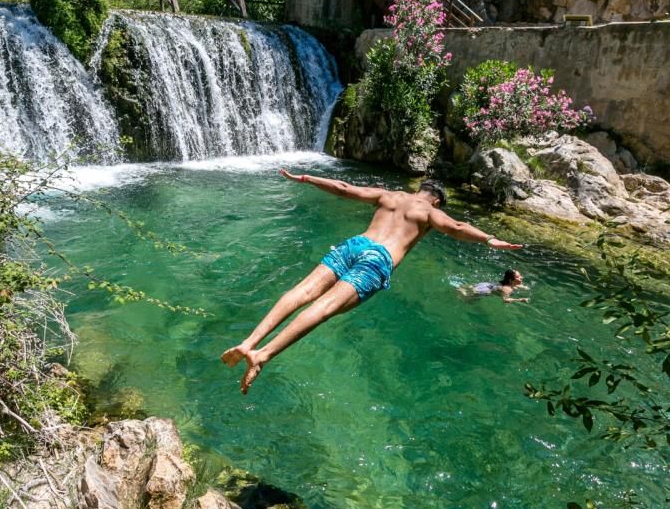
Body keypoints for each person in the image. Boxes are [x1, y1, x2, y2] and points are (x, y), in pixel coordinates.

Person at [221, 169, 523, 394]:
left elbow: (343, 187)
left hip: (355, 243)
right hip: (378, 260)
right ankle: (262, 355)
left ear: (420, 188)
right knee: (324, 307)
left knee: (302, 291)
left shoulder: (389, 195)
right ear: (437, 200)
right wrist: (489, 239)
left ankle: (248, 342)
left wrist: (308, 179)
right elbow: (456, 227)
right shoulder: (430, 212)